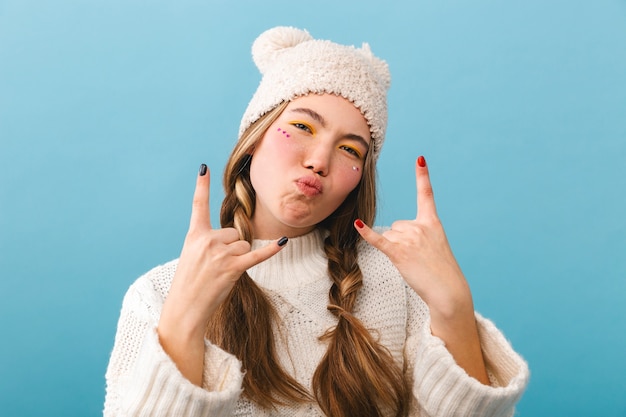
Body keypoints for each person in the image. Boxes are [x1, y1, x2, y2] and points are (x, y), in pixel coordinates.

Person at [103, 26, 529, 417]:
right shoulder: (156, 295)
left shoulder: (396, 279)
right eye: (303, 125)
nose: (319, 160)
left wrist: (454, 307)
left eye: (350, 150)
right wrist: (183, 320)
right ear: (254, 137)